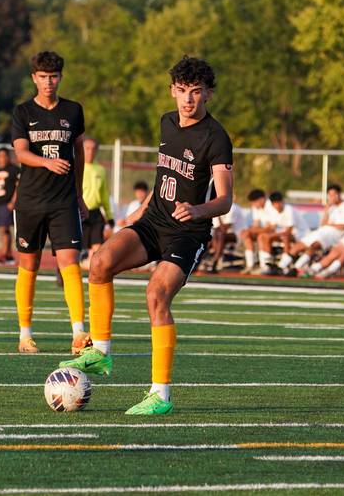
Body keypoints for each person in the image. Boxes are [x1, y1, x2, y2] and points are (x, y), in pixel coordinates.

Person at [60, 56, 234, 416]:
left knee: (155, 294)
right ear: (172, 91)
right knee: (100, 262)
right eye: (182, 91)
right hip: (154, 220)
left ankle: (160, 395)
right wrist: (138, 213)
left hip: (188, 232)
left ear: (209, 95)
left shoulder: (216, 137)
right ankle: (101, 352)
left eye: (196, 92)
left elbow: (225, 199)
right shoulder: (167, 123)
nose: (188, 99)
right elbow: (163, 178)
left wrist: (198, 210)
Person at [10, 50, 90, 355]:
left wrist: (80, 194)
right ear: (34, 78)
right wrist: (47, 162)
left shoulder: (73, 111)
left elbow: (79, 153)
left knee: (69, 262)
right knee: (28, 264)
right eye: (43, 77)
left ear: (60, 77)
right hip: (30, 200)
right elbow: (21, 152)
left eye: (53, 76)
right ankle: (25, 333)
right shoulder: (23, 112)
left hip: (64, 201)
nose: (48, 82)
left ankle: (78, 333)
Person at [279, 184, 344, 275]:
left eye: (333, 195)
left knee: (314, 245)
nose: (331, 197)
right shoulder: (332, 208)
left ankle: (296, 267)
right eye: (330, 195)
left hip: (334, 235)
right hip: (322, 231)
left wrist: (330, 224)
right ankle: (281, 266)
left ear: (339, 194)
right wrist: (326, 210)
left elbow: (343, 226)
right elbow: (323, 224)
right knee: (299, 245)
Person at [257, 191, 309, 275]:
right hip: (287, 234)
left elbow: (289, 231)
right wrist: (264, 234)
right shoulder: (274, 211)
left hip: (301, 235)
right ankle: (266, 265)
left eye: (278, 203)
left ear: (282, 201)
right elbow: (272, 228)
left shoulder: (289, 209)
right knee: (264, 237)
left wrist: (271, 235)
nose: (277, 205)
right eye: (274, 203)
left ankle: (283, 265)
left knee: (285, 236)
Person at [81, 138, 113, 270]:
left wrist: (110, 216)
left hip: (95, 214)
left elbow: (104, 195)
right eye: (87, 148)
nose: (90, 152)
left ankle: (93, 276)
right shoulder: (77, 166)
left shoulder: (100, 170)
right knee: (76, 249)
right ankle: (62, 271)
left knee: (98, 249)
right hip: (80, 213)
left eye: (93, 149)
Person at [0, 147, 20, 266]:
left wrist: (13, 201)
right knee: (3, 230)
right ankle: (8, 255)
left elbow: (19, 186)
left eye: (5, 155)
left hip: (8, 203)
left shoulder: (15, 170)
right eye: (0, 156)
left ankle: (5, 254)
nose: (2, 158)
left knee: (5, 229)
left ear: (9, 157)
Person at [207, 199, 247, 273]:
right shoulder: (216, 208)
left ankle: (214, 261)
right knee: (213, 235)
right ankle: (211, 261)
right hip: (224, 236)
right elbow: (216, 228)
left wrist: (218, 215)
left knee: (220, 234)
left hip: (239, 235)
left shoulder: (233, 207)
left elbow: (225, 228)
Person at [238, 189, 271, 273]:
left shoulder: (270, 206)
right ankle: (250, 265)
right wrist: (248, 231)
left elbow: (270, 228)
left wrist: (253, 230)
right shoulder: (256, 208)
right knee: (247, 235)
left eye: (254, 202)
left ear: (261, 199)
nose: (252, 205)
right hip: (264, 231)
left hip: (274, 232)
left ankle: (264, 266)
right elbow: (255, 224)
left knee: (261, 237)